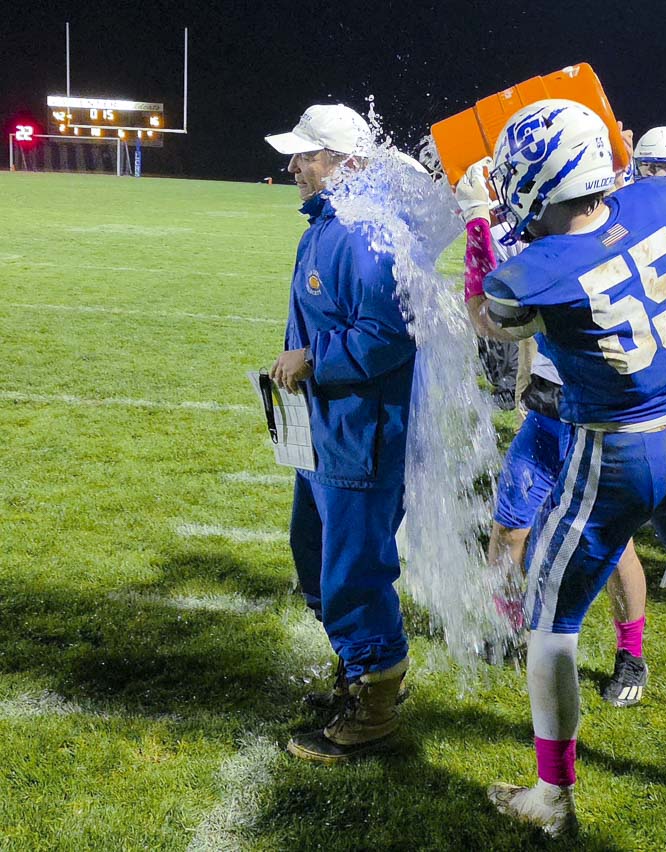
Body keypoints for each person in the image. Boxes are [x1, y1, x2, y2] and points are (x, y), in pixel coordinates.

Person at [466, 98, 666, 837]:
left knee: (550, 619)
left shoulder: (537, 270)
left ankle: (552, 796)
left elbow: (492, 313)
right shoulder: (659, 197)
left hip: (619, 447)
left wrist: (481, 227)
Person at [457, 158, 650, 708]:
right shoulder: (555, 226)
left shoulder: (584, 238)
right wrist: (481, 217)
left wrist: (477, 221)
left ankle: (630, 653)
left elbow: (487, 312)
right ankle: (514, 629)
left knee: (615, 546)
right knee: (508, 530)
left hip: (596, 416)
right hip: (547, 410)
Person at [265, 104, 415, 763]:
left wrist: (313, 359)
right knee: (317, 560)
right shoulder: (326, 223)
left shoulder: (362, 233)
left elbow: (388, 335)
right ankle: (358, 671)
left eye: (307, 155)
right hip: (324, 429)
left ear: (345, 162)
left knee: (354, 571)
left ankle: (375, 701)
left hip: (359, 434)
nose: (293, 165)